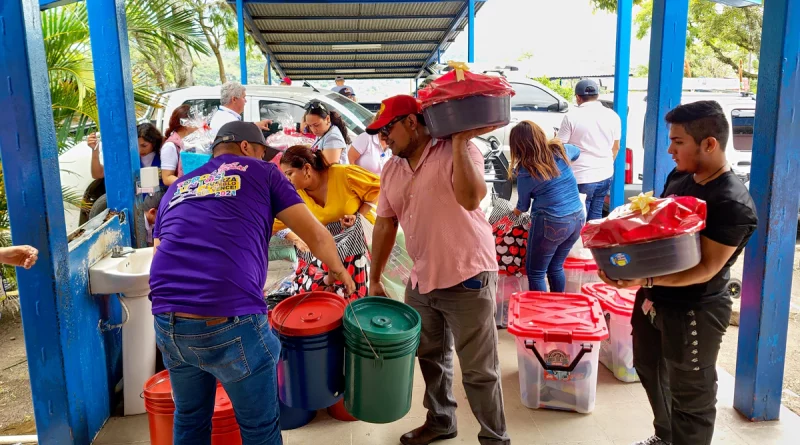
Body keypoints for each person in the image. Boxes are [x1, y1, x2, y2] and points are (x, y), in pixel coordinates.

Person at [150, 121, 354, 445]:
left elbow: (161, 250)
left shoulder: (180, 186)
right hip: (228, 317)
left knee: (190, 419)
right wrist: (339, 271)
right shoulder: (262, 172)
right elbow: (315, 233)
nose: (265, 159)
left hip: (167, 320)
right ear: (247, 148)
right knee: (259, 429)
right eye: (262, 152)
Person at [600, 101, 757, 445]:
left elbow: (706, 268)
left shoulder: (732, 202)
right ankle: (665, 436)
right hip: (654, 298)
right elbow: (658, 229)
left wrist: (643, 279)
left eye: (678, 142)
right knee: (649, 368)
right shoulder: (681, 176)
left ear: (709, 144)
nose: (669, 149)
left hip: (694, 310)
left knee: (692, 397)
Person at [367, 95, 509, 445]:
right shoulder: (392, 168)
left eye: (388, 130)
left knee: (479, 370)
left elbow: (472, 198)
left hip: (467, 274)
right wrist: (374, 277)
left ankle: (495, 439)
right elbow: (385, 224)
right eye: (380, 135)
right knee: (430, 357)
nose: (385, 140)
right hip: (422, 278)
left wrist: (460, 140)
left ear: (411, 123)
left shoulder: (458, 151)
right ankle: (442, 420)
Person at [275, 145, 380, 299]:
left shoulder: (344, 174)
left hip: (361, 242)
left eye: (289, 174)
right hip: (331, 244)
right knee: (309, 285)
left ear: (307, 169)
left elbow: (377, 189)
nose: (288, 180)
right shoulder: (296, 195)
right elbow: (276, 222)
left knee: (353, 289)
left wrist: (357, 216)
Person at [510, 120, 585, 292]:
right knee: (556, 266)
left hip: (552, 223)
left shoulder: (525, 171)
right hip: (577, 218)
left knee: (536, 273)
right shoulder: (560, 151)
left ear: (518, 147)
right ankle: (557, 308)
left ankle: (541, 314)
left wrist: (509, 216)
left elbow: (522, 206)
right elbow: (577, 152)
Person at [557, 79, 621, 221]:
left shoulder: (571, 117)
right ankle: (591, 243)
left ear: (578, 97)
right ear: (597, 95)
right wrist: (606, 165)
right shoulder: (613, 116)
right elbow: (616, 147)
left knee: (578, 217)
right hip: (605, 174)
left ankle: (581, 242)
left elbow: (559, 148)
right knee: (596, 215)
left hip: (581, 176)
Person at [89, 123, 164, 180]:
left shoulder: (164, 156)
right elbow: (98, 174)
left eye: (144, 146)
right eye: (135, 146)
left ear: (154, 142)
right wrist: (94, 150)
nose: (139, 150)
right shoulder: (128, 158)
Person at [160, 105, 198, 186]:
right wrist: (189, 184)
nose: (199, 124)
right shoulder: (170, 146)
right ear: (186, 123)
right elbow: (167, 178)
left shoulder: (192, 142)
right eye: (196, 120)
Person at [304, 101, 351, 165]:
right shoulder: (323, 132)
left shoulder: (333, 138)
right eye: (310, 125)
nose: (313, 129)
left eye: (316, 125)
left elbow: (328, 167)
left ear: (328, 119)